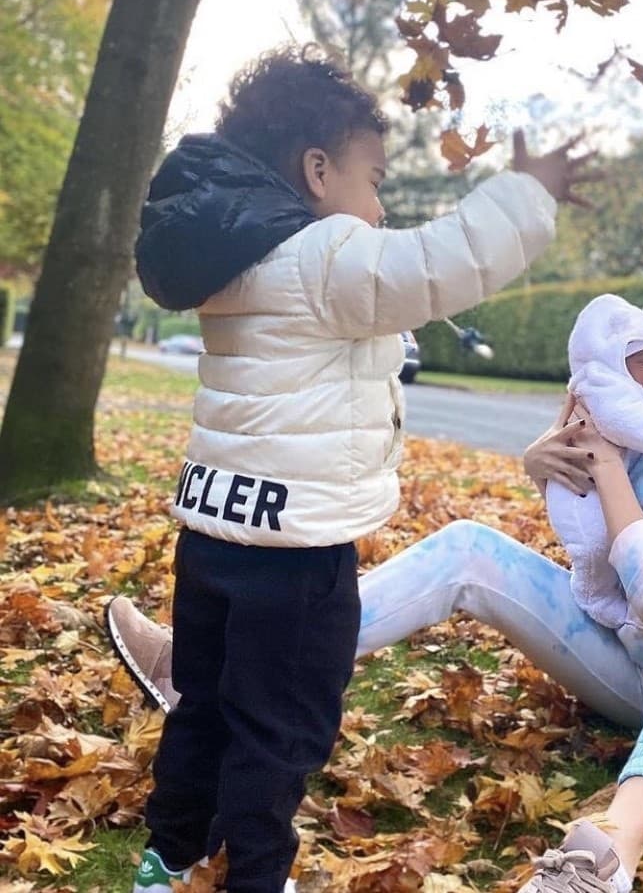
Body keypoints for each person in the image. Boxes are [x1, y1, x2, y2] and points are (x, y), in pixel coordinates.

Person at [110, 226, 643, 893]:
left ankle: (608, 854)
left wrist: (610, 467)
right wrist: (547, 464)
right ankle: (201, 673)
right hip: (637, 667)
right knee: (468, 545)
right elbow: (603, 555)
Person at [108, 44, 594, 893]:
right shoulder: (323, 255)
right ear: (319, 170)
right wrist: (527, 193)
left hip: (215, 535)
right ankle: (256, 876)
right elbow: (439, 264)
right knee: (280, 730)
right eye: (375, 181)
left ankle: (170, 856)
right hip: (296, 558)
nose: (379, 207)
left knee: (206, 709)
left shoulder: (232, 263)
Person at [546, 293, 643, 629]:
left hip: (593, 483)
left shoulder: (619, 382)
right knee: (595, 547)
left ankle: (603, 594)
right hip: (578, 491)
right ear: (614, 359)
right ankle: (593, 596)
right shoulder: (601, 385)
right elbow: (622, 420)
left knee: (608, 544)